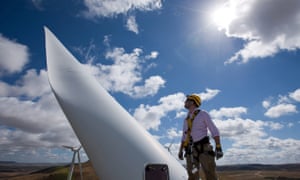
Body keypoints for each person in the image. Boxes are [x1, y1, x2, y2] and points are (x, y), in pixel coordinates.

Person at [178, 94, 223, 180]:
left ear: (193, 102)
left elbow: (214, 130)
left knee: (210, 174)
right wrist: (180, 150)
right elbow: (184, 137)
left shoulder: (203, 114)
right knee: (192, 175)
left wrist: (218, 147)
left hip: (203, 149)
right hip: (190, 151)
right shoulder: (186, 119)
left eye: (187, 100)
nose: (185, 102)